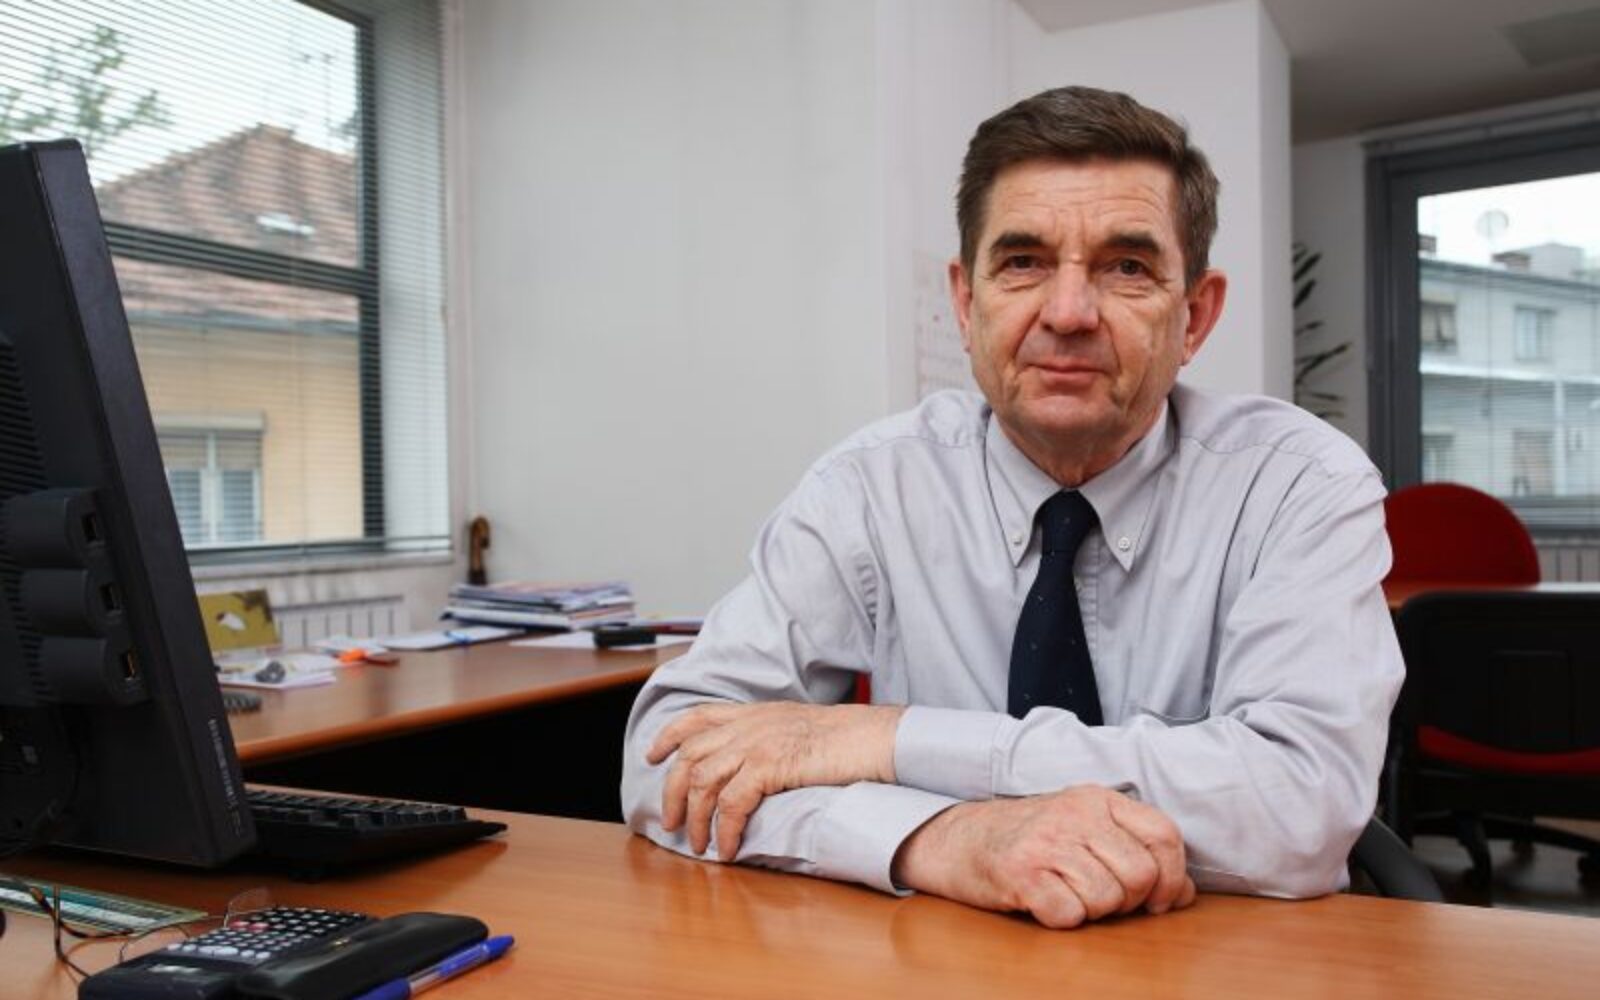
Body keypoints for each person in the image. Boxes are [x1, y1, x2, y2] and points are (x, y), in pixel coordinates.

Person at [621, 85, 1404, 929]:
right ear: (967, 304)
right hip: (943, 953)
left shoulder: (1298, 485)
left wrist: (889, 740)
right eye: (1023, 261)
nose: (1067, 314)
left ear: (1195, 317)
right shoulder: (871, 487)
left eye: (1127, 267)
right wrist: (938, 838)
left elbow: (1302, 804)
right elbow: (666, 758)